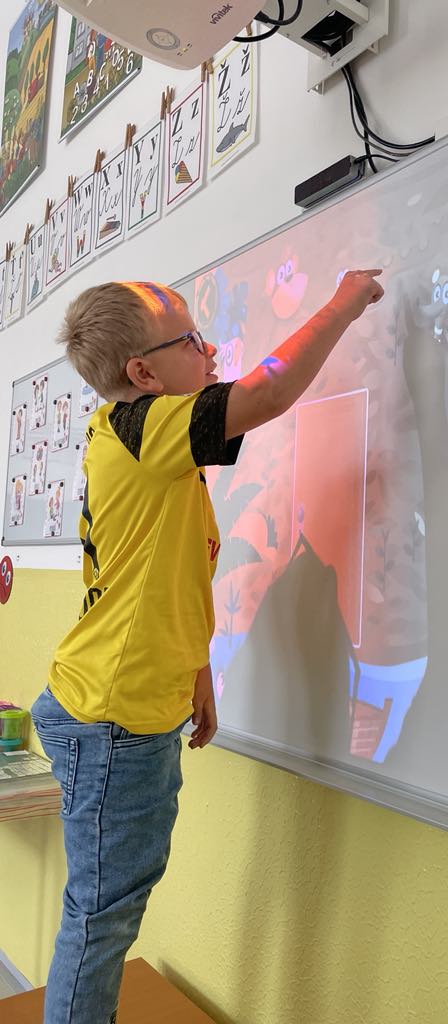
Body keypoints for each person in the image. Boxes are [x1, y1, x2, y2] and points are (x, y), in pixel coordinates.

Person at [30, 269, 383, 1024]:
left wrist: (199, 673)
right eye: (192, 340)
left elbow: (163, 579)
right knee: (101, 917)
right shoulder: (144, 430)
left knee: (108, 906)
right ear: (143, 375)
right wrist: (345, 300)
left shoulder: (146, 448)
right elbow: (267, 391)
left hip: (122, 706)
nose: (211, 349)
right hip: (112, 716)